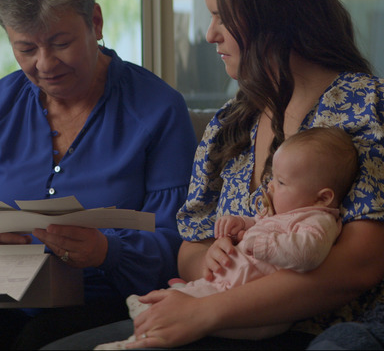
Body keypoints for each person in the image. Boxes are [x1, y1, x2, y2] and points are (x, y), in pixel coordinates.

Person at [43, 0, 384, 350]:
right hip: (218, 318)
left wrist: (204, 312)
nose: (210, 33)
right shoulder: (230, 125)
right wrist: (208, 260)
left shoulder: (373, 109)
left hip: (315, 330)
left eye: (220, 16)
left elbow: (356, 268)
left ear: (272, 12)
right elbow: (189, 249)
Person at [0, 0, 197, 350]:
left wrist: (109, 250)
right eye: (27, 49)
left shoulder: (158, 109)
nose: (45, 64)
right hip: (7, 295)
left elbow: (182, 240)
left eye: (60, 42)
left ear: (96, 22)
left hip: (108, 298)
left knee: (41, 342)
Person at [95, 127, 359, 349]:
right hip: (227, 287)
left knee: (184, 309)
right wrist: (241, 224)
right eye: (272, 179)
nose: (270, 186)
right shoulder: (285, 211)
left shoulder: (319, 220)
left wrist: (257, 243)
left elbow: (307, 253)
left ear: (322, 197)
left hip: (256, 315)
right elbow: (261, 226)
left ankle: (137, 342)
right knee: (178, 299)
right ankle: (147, 312)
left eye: (281, 182)